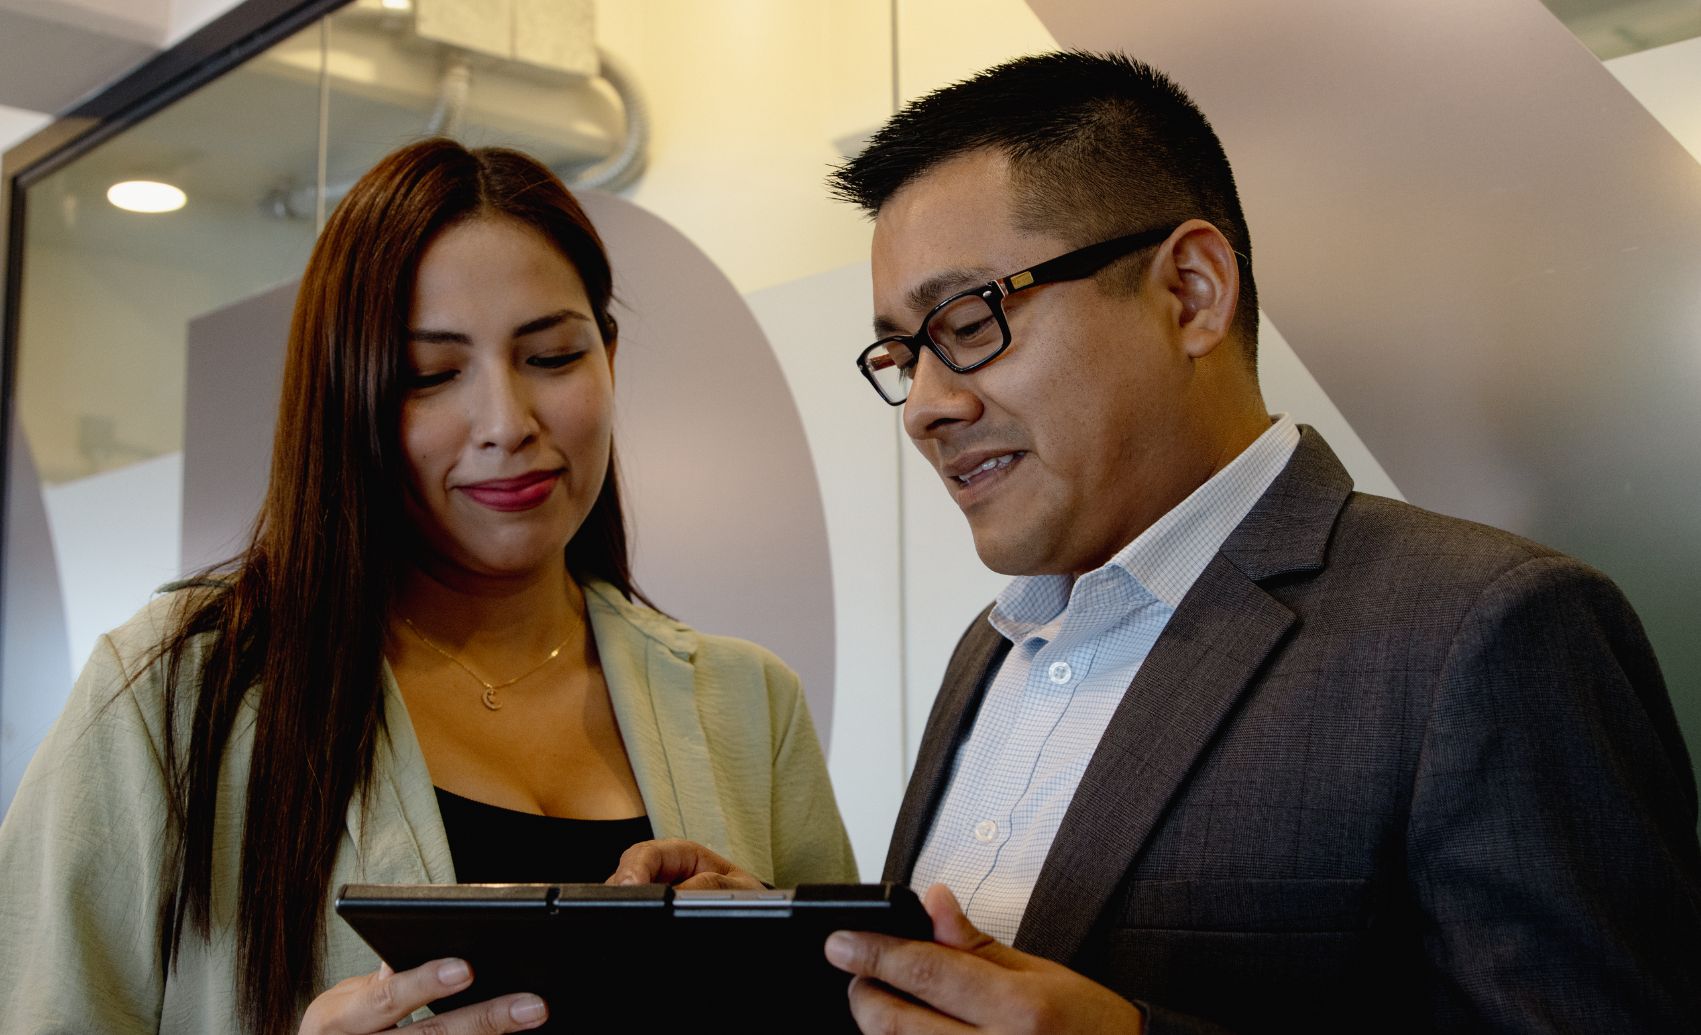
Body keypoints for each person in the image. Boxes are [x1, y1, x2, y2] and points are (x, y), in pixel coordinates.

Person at [613, 51, 1701, 1032]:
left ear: (1190, 292)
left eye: (969, 323)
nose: (927, 406)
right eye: (903, 356)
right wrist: (792, 959)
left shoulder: (1486, 631)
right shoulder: (992, 649)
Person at [0, 138, 856, 1035]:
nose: (506, 423)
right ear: (347, 395)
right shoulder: (178, 693)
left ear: (608, 357)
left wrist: (777, 978)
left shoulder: (746, 703)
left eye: (552, 356)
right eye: (431, 375)